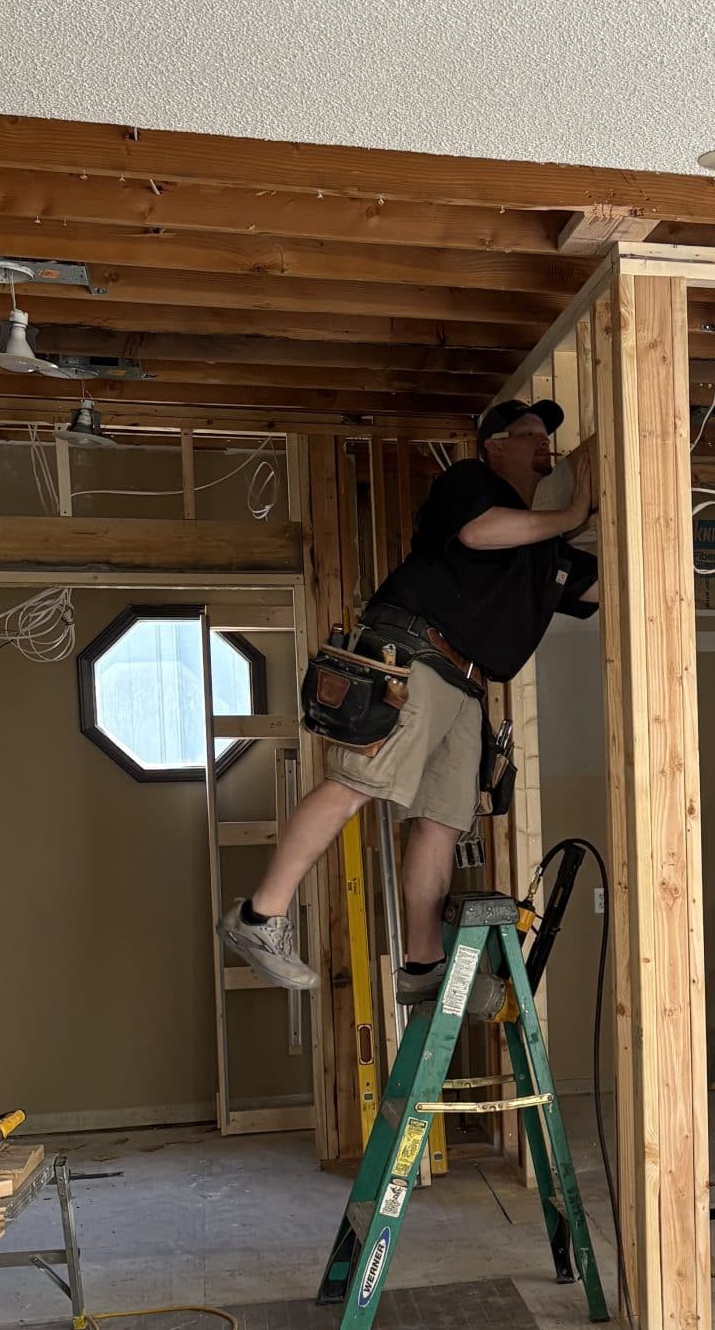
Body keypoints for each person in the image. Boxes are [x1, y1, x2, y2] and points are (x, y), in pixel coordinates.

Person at [218, 397, 597, 1009]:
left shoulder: (545, 547)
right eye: (528, 432)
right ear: (494, 445)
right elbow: (480, 532)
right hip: (415, 655)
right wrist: (575, 510)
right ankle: (259, 917)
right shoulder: (470, 483)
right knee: (357, 783)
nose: (541, 443)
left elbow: (601, 584)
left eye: (544, 435)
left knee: (443, 822)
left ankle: (423, 967)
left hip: (465, 684)